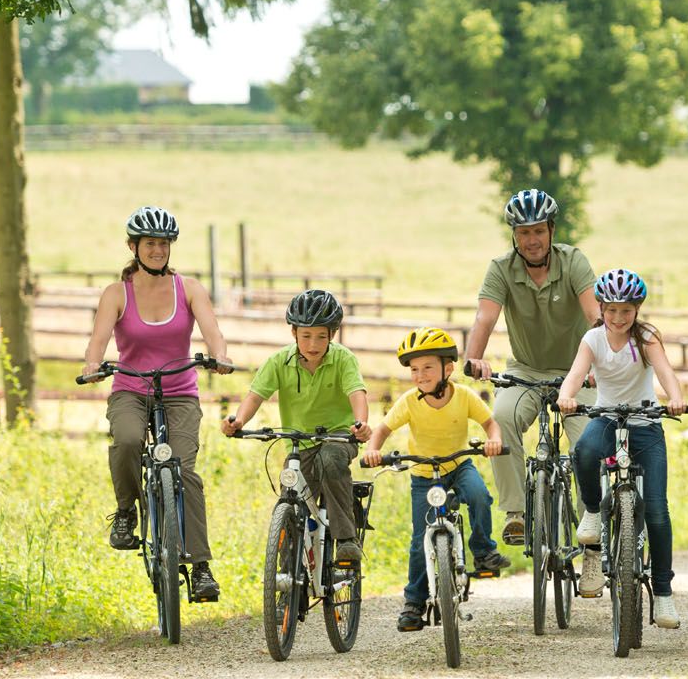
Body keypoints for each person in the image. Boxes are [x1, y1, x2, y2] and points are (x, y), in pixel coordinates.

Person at [81, 205, 233, 604]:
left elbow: (213, 331)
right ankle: (126, 511)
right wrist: (93, 365)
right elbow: (98, 341)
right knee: (128, 439)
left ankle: (200, 567)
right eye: (150, 243)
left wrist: (219, 356)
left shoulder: (189, 289)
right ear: (133, 247)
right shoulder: (117, 293)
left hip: (180, 391)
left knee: (184, 471)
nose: (157, 250)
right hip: (131, 389)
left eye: (164, 244)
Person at [463, 188, 600, 547]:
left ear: (551, 230)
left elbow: (594, 315)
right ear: (514, 235)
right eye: (524, 232)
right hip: (524, 371)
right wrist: (474, 358)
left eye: (539, 230)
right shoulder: (501, 268)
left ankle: (592, 527)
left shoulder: (573, 261)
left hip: (577, 372)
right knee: (501, 418)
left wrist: (602, 360)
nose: (532, 240)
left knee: (589, 443)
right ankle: (516, 512)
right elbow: (485, 317)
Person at [557, 268, 687, 626]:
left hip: (645, 424)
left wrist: (675, 398)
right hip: (606, 418)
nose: (618, 317)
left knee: (657, 511)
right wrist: (567, 396)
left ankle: (663, 595)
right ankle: (593, 511)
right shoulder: (593, 339)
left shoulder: (646, 338)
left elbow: (665, 372)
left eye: (626, 310)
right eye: (611, 310)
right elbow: (575, 374)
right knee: (583, 451)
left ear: (637, 310)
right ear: (601, 308)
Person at [362, 328, 508, 632]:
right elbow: (382, 430)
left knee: (479, 495)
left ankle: (483, 552)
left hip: (458, 464)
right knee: (420, 541)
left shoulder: (464, 396)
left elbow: (490, 423)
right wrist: (373, 450)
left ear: (448, 369)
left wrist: (493, 440)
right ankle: (414, 603)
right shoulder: (409, 401)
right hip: (424, 475)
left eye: (427, 367)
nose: (420, 375)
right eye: (414, 369)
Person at [220, 289, 372, 565]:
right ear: (293, 333)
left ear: (332, 335)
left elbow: (357, 393)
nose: (313, 344)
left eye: (321, 336)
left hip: (339, 437)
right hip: (299, 442)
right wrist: (239, 421)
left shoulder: (343, 359)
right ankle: (286, 575)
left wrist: (361, 424)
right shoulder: (279, 361)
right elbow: (255, 396)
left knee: (330, 460)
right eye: (306, 336)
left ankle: (346, 539)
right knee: (291, 495)